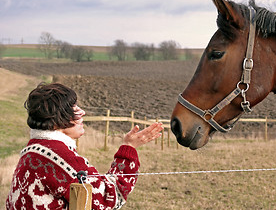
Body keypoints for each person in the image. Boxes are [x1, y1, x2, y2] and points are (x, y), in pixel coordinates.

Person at [6, 82, 163, 210]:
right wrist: (129, 148)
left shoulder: (32, 150)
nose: (82, 112)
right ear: (57, 118)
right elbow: (109, 197)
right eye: (74, 108)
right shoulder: (59, 157)